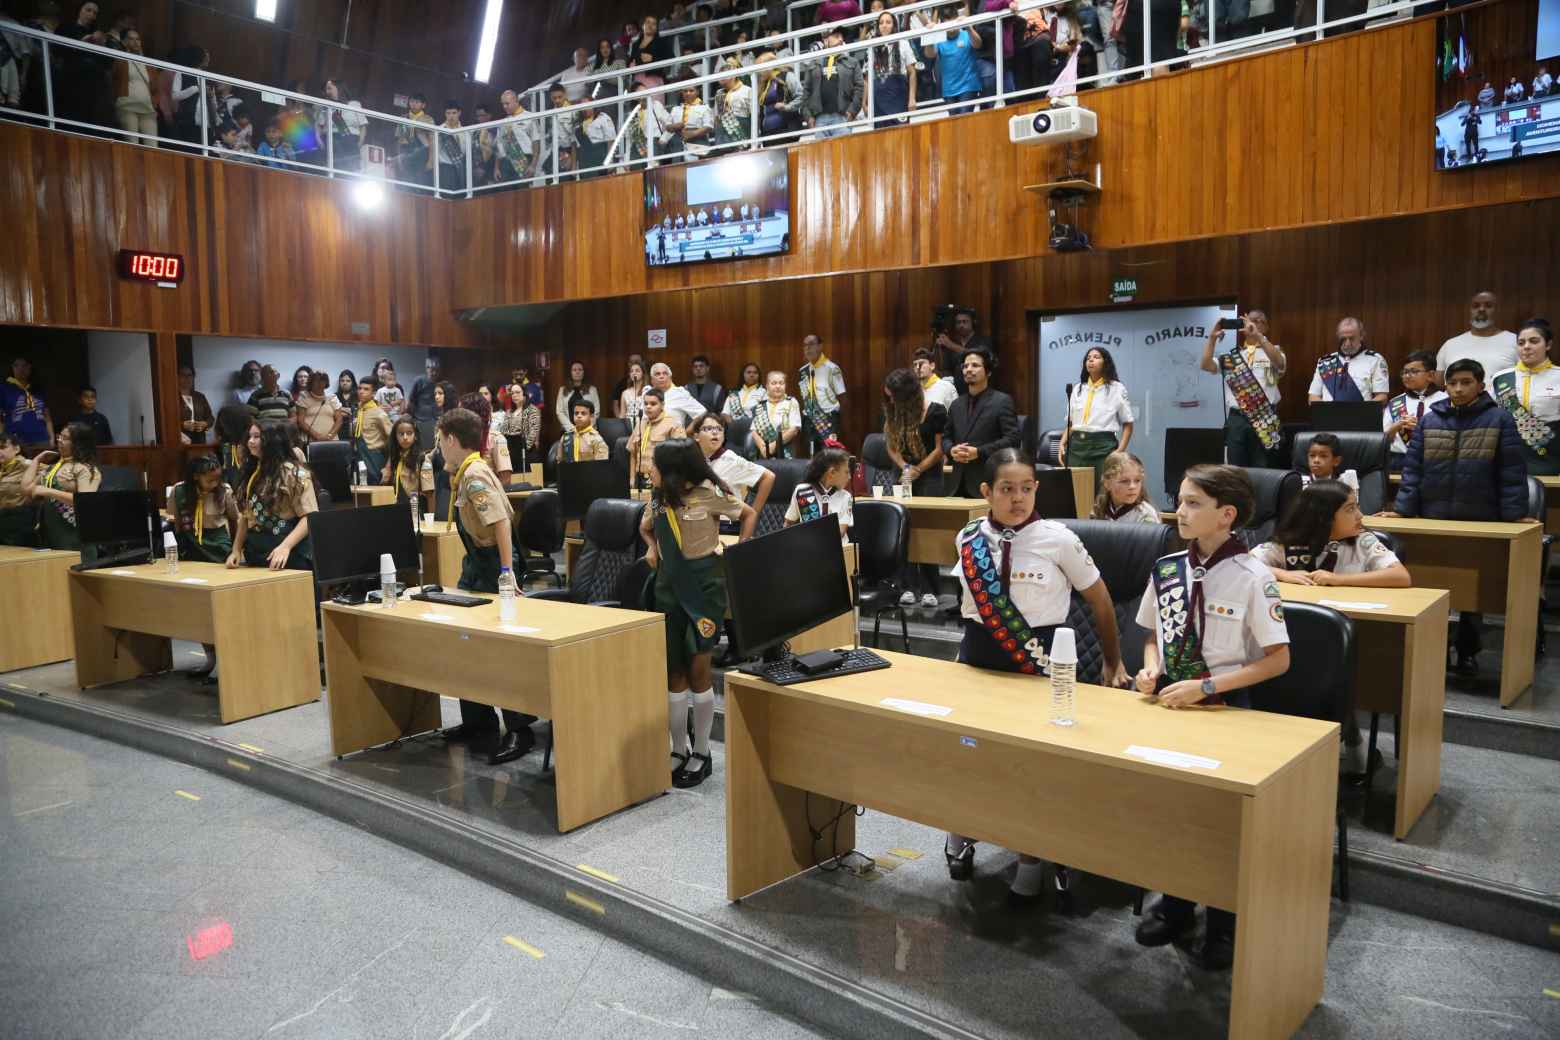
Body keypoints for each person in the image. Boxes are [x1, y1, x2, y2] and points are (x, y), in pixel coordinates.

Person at [945, 448, 1127, 901]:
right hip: (978, 663)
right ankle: (959, 832)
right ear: (986, 491)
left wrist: (1112, 661)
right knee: (967, 756)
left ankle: (1030, 860)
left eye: (1027, 488)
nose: (1018, 498)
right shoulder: (968, 538)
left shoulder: (1059, 539)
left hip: (1037, 666)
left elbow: (1101, 601)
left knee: (1029, 767)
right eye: (1007, 489)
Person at [1131, 464, 1291, 970]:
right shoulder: (1167, 569)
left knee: (1222, 824)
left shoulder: (1254, 577)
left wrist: (1205, 687)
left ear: (1227, 515)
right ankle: (1176, 905)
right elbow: (1152, 635)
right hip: (1172, 706)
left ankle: (1224, 921)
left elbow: (1278, 660)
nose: (1179, 511)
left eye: (1193, 503)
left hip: (1225, 710)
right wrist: (1150, 668)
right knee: (1173, 812)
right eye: (1180, 500)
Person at [1382, 359, 1534, 672]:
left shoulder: (1499, 419)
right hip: (1434, 516)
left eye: (1466, 382)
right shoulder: (1431, 420)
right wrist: (1402, 510)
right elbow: (1413, 470)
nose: (1459, 389)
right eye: (1453, 383)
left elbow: (1511, 471)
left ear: (1480, 385)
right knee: (1430, 585)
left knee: (1474, 593)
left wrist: (1515, 514)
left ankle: (1467, 651)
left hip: (1480, 518)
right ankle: (1432, 651)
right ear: (1445, 386)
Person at [641, 438, 756, 789]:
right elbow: (646, 528)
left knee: (698, 668)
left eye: (656, 464)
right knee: (674, 670)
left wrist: (739, 552)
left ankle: (702, 752)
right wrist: (653, 549)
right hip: (668, 587)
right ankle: (679, 748)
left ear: (675, 470)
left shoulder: (709, 493)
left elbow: (748, 514)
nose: (650, 469)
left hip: (704, 588)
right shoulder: (658, 499)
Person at [431, 408, 536, 764]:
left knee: (500, 651)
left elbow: (501, 522)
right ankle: (478, 721)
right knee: (466, 641)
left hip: (494, 565)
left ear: (451, 439)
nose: (438, 447)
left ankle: (520, 730)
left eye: (440, 439)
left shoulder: (474, 474)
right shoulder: (464, 471)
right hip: (476, 564)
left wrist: (506, 573)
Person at [1255, 480, 1410, 589]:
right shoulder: (1291, 541)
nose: (1360, 515)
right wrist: (1281, 574)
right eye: (1350, 509)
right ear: (1324, 516)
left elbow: (1401, 576)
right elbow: (1246, 563)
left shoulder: (1363, 540)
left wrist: (1338, 579)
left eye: (1357, 507)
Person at [167, 454, 240, 681]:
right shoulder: (179, 491)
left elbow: (236, 519)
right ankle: (210, 657)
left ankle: (227, 660)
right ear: (195, 477)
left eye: (217, 478)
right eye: (209, 480)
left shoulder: (224, 491)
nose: (214, 484)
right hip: (192, 551)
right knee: (199, 610)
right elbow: (175, 520)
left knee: (220, 609)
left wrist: (237, 551)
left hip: (218, 551)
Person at [881, 367, 948, 606]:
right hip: (903, 473)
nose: (891, 400)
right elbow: (890, 445)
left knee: (927, 528)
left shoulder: (935, 411)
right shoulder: (892, 410)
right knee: (903, 529)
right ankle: (907, 586)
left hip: (929, 474)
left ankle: (931, 589)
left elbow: (939, 449)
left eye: (894, 396)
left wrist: (918, 469)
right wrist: (905, 467)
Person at [1199, 312, 1285, 466]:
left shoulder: (1275, 351)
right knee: (1236, 468)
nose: (1256, 323)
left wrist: (1259, 337)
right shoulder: (1231, 357)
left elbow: (1280, 363)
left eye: (1261, 321)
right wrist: (1212, 338)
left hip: (1264, 416)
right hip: (1237, 419)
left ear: (1266, 327)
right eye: (1252, 320)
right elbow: (1206, 365)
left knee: (1264, 467)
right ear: (1243, 325)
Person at [227, 422, 316, 570]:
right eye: (249, 436)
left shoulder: (293, 473)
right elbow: (246, 516)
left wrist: (285, 547)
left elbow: (308, 517)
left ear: (271, 440)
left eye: (256, 437)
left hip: (289, 551)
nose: (250, 441)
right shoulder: (250, 472)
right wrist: (236, 550)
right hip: (256, 552)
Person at [1488, 319, 1560, 476]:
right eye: (1521, 343)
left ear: (1548, 345)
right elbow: (1490, 419)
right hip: (1508, 461)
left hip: (1550, 461)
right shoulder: (1501, 378)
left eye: (1534, 341)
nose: (1526, 346)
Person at [945, 349, 1018, 497]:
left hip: (988, 481)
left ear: (988, 372)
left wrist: (979, 452)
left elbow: (1012, 439)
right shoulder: (956, 404)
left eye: (975, 365)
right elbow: (946, 437)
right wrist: (951, 450)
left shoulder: (1002, 401)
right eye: (965, 366)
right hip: (956, 483)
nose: (968, 369)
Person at [24, 421, 101, 550]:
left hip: (74, 533)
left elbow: (84, 502)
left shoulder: (85, 469)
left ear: (78, 443)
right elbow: (27, 489)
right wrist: (36, 460)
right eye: (59, 436)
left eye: (65, 438)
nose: (59, 440)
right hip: (51, 531)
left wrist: (48, 491)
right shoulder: (53, 468)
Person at [1060, 347, 1132, 479]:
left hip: (1103, 447)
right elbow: (1071, 424)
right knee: (1075, 488)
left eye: (1096, 357)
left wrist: (1120, 451)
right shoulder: (1078, 389)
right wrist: (1062, 443)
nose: (1091, 360)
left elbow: (1128, 424)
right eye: (1088, 358)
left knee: (1103, 488)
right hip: (1076, 447)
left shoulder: (1117, 388)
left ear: (1106, 362)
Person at [692, 410, 775, 511]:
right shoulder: (693, 460)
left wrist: (753, 514)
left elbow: (768, 477)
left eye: (719, 429)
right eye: (708, 428)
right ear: (696, 436)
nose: (715, 432)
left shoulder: (731, 459)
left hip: (727, 518)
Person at [1436, 291, 1519, 382]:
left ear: (1497, 311)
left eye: (1488, 306)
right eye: (1476, 306)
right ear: (1469, 311)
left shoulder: (1516, 341)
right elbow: (1439, 382)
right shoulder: (1450, 345)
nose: (1481, 309)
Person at [1383, 351, 1446, 472]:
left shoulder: (1445, 400)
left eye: (1414, 372)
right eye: (1405, 372)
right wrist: (1396, 426)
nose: (1407, 376)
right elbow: (1383, 440)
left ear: (1431, 375)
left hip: (1433, 460)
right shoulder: (1396, 402)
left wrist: (1422, 428)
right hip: (1399, 461)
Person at [1308, 317, 1390, 403]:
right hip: (1328, 411)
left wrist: (1361, 410)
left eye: (1352, 338)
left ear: (1361, 336)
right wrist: (1327, 410)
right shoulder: (1325, 362)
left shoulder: (1375, 360)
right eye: (1343, 339)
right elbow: (1313, 397)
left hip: (1361, 411)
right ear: (1338, 336)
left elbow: (1382, 397)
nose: (1347, 343)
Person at [784, 446, 854, 543]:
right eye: (846, 472)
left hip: (838, 548)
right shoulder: (802, 491)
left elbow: (841, 531)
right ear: (832, 473)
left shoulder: (846, 497)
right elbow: (788, 523)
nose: (849, 477)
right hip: (809, 547)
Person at [803, 25, 862, 136]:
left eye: (842, 37)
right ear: (826, 40)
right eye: (836, 36)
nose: (841, 40)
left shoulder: (852, 62)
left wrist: (852, 112)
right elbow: (806, 92)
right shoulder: (813, 64)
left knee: (843, 148)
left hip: (842, 117)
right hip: (819, 119)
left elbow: (859, 88)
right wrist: (809, 117)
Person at [926, 6, 983, 115]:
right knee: (953, 121)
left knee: (964, 116)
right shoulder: (939, 38)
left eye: (952, 22)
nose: (951, 28)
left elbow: (978, 44)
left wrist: (968, 27)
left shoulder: (966, 34)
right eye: (947, 23)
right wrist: (930, 34)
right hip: (949, 90)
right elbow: (930, 54)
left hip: (968, 86)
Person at [798, 334, 847, 450]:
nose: (807, 348)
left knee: (829, 454)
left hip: (828, 420)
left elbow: (842, 396)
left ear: (820, 346)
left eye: (811, 344)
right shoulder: (803, 371)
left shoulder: (832, 369)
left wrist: (838, 421)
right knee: (811, 455)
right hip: (809, 420)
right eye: (805, 345)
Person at [111, 27, 158, 145]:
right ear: (124, 42)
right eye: (131, 39)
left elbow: (155, 87)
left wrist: (155, 104)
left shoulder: (148, 63)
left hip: (147, 109)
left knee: (153, 146)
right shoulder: (120, 59)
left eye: (138, 39)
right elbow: (114, 79)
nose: (136, 42)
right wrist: (125, 52)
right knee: (132, 143)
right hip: (127, 107)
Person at [934, 308, 995, 395]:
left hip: (980, 389)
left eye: (965, 322)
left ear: (973, 323)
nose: (961, 325)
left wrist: (951, 345)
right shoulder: (953, 341)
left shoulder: (983, 340)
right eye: (958, 322)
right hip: (956, 391)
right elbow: (946, 368)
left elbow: (977, 355)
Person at [630, 387, 682, 487]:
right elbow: (633, 453)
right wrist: (632, 478)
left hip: (661, 480)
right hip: (639, 479)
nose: (648, 407)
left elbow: (679, 456)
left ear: (662, 405)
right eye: (646, 404)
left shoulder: (673, 424)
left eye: (653, 404)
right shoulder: (641, 424)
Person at [459, 391, 512, 487]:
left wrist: (488, 493)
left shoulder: (496, 438)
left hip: (489, 492)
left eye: (461, 412)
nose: (458, 416)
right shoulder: (460, 439)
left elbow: (506, 478)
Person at [1091, 450, 1158, 522]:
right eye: (1124, 481)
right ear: (1107, 484)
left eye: (1137, 480)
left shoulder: (1146, 514)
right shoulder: (1099, 509)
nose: (1132, 486)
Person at [750, 370, 801, 459]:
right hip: (764, 453)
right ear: (767, 386)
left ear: (785, 385)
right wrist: (763, 447)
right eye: (773, 383)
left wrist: (772, 447)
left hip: (785, 452)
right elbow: (754, 431)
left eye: (781, 383)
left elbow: (794, 429)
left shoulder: (791, 402)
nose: (778, 386)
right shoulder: (760, 405)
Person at [383, 416, 431, 508]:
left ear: (415, 436)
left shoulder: (423, 460)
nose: (405, 437)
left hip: (415, 509)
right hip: (396, 507)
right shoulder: (394, 458)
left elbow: (430, 493)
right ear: (395, 436)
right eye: (401, 434)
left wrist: (430, 517)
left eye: (409, 433)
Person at [351, 374, 391, 483]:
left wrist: (388, 467)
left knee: (375, 489)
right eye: (360, 388)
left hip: (374, 459)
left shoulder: (379, 413)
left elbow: (394, 441)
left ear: (373, 393)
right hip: (359, 457)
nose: (361, 391)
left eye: (366, 389)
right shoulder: (358, 411)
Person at [3, 357, 53, 446]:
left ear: (30, 368)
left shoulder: (38, 389)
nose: (21, 368)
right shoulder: (4, 389)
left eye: (25, 365)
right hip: (15, 440)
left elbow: (47, 416)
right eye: (16, 365)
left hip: (41, 438)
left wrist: (51, 437)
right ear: (12, 368)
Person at [0, 433, 36, 545]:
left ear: (16, 449)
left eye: (2, 447)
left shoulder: (28, 465)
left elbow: (50, 474)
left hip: (19, 520)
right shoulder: (2, 468)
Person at [646, 363, 702, 430]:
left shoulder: (680, 393)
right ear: (652, 380)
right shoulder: (647, 394)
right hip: (648, 435)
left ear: (670, 378)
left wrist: (686, 432)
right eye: (657, 374)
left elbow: (701, 413)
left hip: (673, 436)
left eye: (665, 373)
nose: (661, 376)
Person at [294, 370, 342, 446]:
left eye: (323, 380)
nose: (320, 383)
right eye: (316, 380)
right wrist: (317, 436)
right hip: (310, 441)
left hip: (331, 440)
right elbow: (300, 421)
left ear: (326, 382)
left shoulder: (332, 397)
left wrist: (330, 436)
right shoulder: (304, 397)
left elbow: (339, 420)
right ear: (311, 382)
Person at [555, 361, 602, 432]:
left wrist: (586, 428)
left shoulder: (592, 390)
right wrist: (572, 429)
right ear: (570, 373)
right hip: (568, 430)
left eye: (580, 370)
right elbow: (559, 412)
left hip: (588, 430)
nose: (577, 372)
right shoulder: (562, 390)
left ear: (584, 372)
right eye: (574, 370)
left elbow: (596, 412)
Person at [178, 365, 214, 445]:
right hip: (181, 441)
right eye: (183, 375)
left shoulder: (200, 397)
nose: (187, 378)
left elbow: (210, 418)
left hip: (199, 441)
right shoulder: (172, 398)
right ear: (177, 377)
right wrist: (182, 425)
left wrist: (205, 424)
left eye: (190, 375)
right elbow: (167, 421)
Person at [407, 356, 445, 424]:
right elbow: (411, 400)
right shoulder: (419, 381)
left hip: (437, 419)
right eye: (432, 370)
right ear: (427, 369)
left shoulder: (442, 383)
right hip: (420, 419)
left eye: (437, 370)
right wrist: (411, 416)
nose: (434, 373)